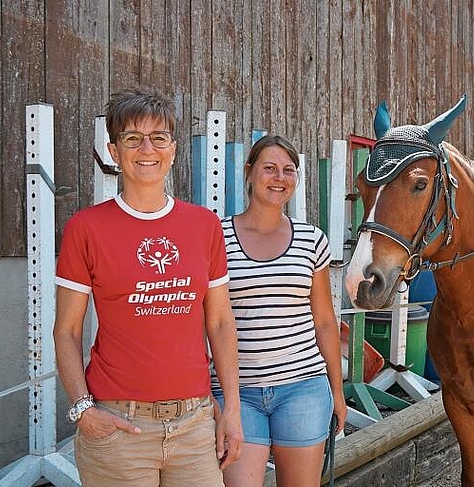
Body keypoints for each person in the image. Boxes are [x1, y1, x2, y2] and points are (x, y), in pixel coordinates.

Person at [53, 85, 243, 487]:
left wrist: (232, 411)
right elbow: (66, 331)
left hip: (193, 426)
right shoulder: (85, 229)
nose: (146, 149)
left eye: (158, 138)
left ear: (172, 149)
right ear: (114, 151)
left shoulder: (204, 225)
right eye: (132, 138)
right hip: (119, 427)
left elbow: (221, 323)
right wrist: (83, 410)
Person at [210, 134, 346, 487]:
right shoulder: (216, 237)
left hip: (302, 387)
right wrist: (210, 396)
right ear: (249, 172)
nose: (279, 177)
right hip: (236, 394)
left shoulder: (312, 239)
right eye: (269, 168)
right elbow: (204, 322)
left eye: (288, 170)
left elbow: (325, 322)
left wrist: (337, 390)